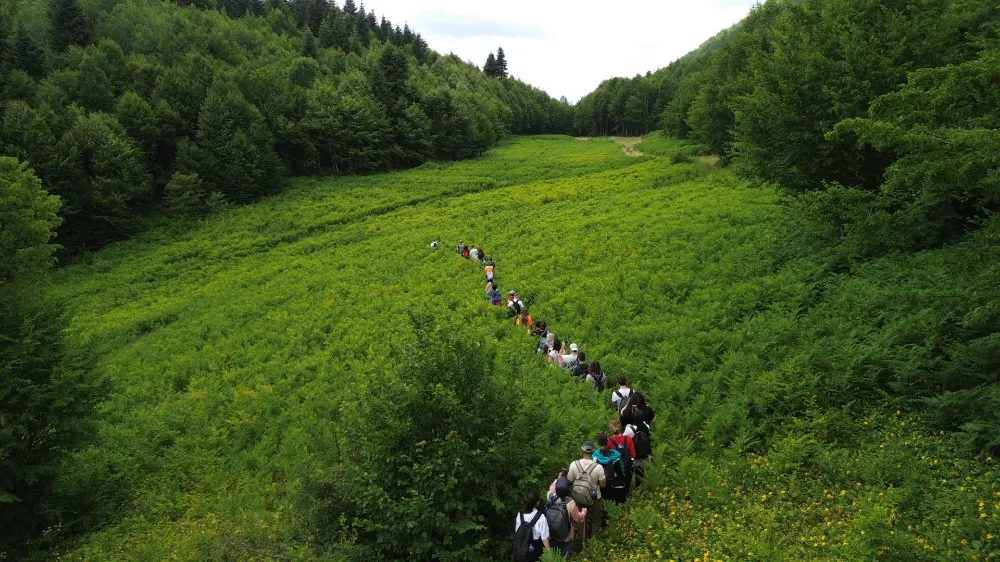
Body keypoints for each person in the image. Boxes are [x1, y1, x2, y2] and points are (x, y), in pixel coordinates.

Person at [567, 440, 606, 538]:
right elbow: (603, 485)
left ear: (582, 451)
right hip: (594, 497)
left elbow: (570, 480)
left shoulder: (573, 465)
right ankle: (594, 540)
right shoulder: (598, 467)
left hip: (579, 497)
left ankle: (582, 540)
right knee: (596, 519)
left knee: (581, 519)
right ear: (593, 451)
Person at [545, 473, 588, 557]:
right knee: (563, 556)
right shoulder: (570, 502)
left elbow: (552, 488)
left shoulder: (550, 497)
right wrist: (584, 512)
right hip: (565, 537)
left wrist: (558, 478)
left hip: (551, 533)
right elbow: (578, 519)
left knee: (553, 556)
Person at [513, 491, 550, 562]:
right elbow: (544, 538)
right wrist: (550, 554)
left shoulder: (520, 515)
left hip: (521, 546)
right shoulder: (541, 517)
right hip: (535, 548)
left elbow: (517, 531)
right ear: (537, 502)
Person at [593, 433, 627, 505]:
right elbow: (621, 469)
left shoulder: (595, 456)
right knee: (613, 501)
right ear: (607, 441)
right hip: (613, 481)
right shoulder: (615, 454)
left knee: (604, 501)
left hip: (601, 483)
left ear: (598, 443)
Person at [608, 418, 636, 499]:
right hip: (627, 467)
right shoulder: (628, 439)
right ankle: (626, 498)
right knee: (626, 484)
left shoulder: (608, 441)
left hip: (615, 469)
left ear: (611, 428)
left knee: (617, 486)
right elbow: (633, 454)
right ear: (620, 427)